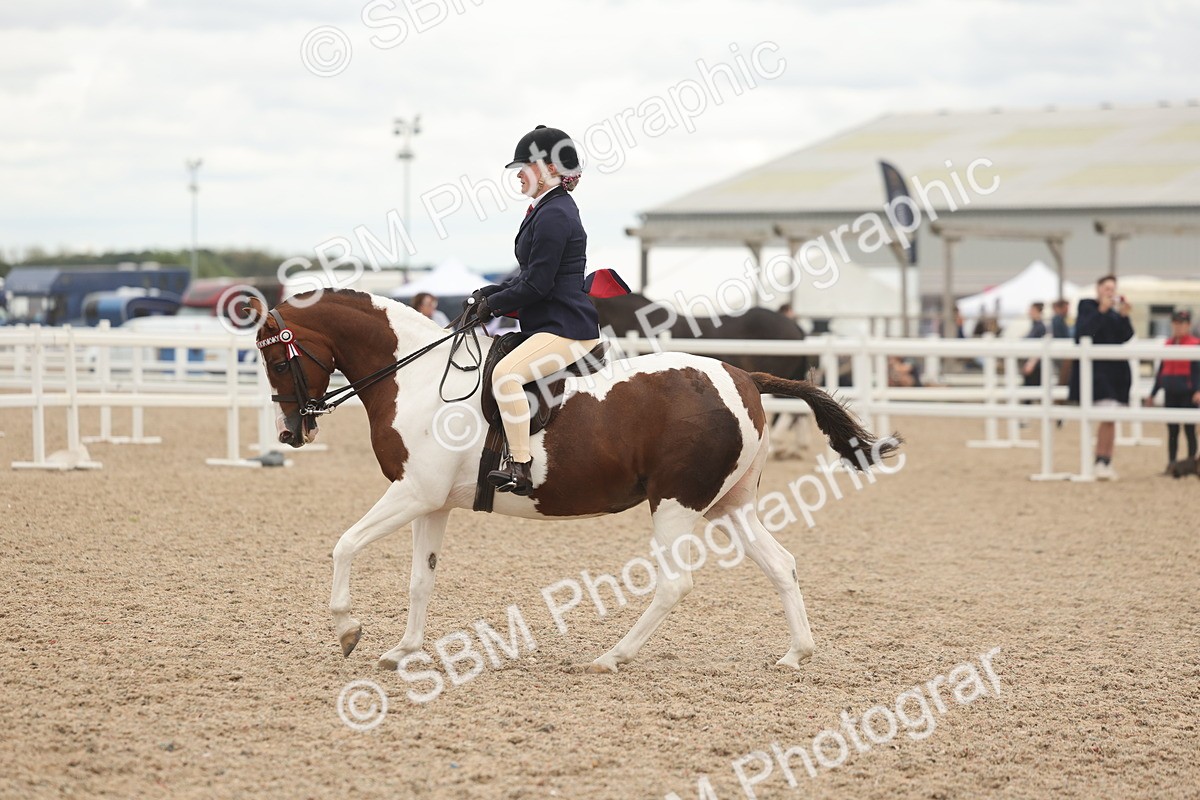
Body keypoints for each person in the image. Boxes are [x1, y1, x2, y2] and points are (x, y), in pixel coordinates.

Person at [467, 125, 601, 495]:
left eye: (524, 167)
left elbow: (538, 286)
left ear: (548, 168)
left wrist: (493, 306)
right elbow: (529, 275)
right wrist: (489, 293)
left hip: (567, 329)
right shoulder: (544, 210)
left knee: (506, 376)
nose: (519, 175)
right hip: (548, 324)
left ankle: (520, 465)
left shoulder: (555, 214)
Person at [1068, 275, 1134, 480]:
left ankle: (1105, 460)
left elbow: (1125, 336)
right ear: (1098, 289)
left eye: (1112, 288)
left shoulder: (1114, 314)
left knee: (1111, 419)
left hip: (1115, 376)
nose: (1110, 292)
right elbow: (1083, 333)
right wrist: (1102, 310)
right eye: (1106, 288)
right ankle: (1100, 460)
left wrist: (1124, 315)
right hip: (1097, 376)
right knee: (1107, 418)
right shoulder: (1088, 307)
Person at [1144, 310, 1200, 471]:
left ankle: (1192, 463)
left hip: (1188, 392)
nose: (1178, 326)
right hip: (1171, 391)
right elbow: (1161, 371)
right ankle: (1172, 463)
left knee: (1190, 430)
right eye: (1176, 323)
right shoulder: (1168, 344)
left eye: (1181, 323)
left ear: (1188, 325)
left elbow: (1198, 370)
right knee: (1172, 430)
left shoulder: (1195, 344)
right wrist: (1153, 393)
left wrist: (1198, 390)